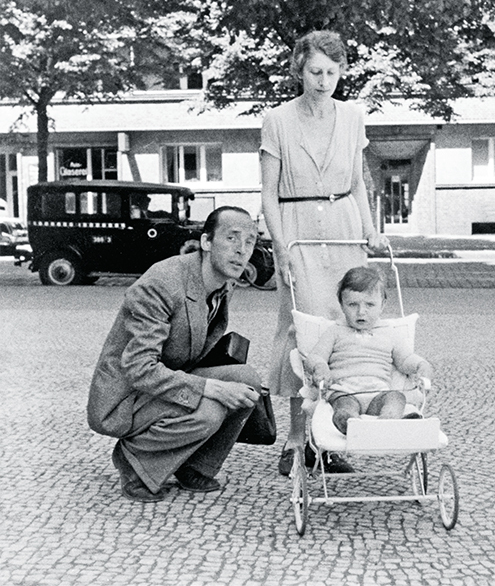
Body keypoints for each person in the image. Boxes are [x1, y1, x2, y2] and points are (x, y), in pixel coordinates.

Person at [260, 30, 388, 475]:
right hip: (296, 232)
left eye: (333, 72)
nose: (324, 80)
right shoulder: (276, 120)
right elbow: (269, 193)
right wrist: (280, 250)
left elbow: (358, 182)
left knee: (344, 328)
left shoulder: (353, 117)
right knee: (304, 331)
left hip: (344, 230)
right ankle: (296, 441)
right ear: (299, 69)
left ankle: (329, 440)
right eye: (315, 71)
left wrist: (371, 231)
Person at [87, 206, 262, 502]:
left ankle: (192, 465)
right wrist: (211, 388)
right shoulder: (162, 283)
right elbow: (140, 368)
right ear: (206, 242)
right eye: (231, 238)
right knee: (210, 411)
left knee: (247, 381)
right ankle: (134, 462)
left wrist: (219, 385)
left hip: (167, 379)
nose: (241, 251)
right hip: (126, 397)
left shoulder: (223, 282)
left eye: (250, 241)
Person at [305, 266, 433, 435]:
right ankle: (350, 422)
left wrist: (421, 366)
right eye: (352, 305)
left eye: (370, 305)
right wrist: (320, 368)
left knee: (396, 398)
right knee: (344, 406)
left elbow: (404, 359)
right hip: (345, 391)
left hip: (378, 393)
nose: (361, 312)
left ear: (382, 305)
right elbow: (315, 356)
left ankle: (389, 420)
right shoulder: (335, 331)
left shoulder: (389, 332)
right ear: (342, 306)